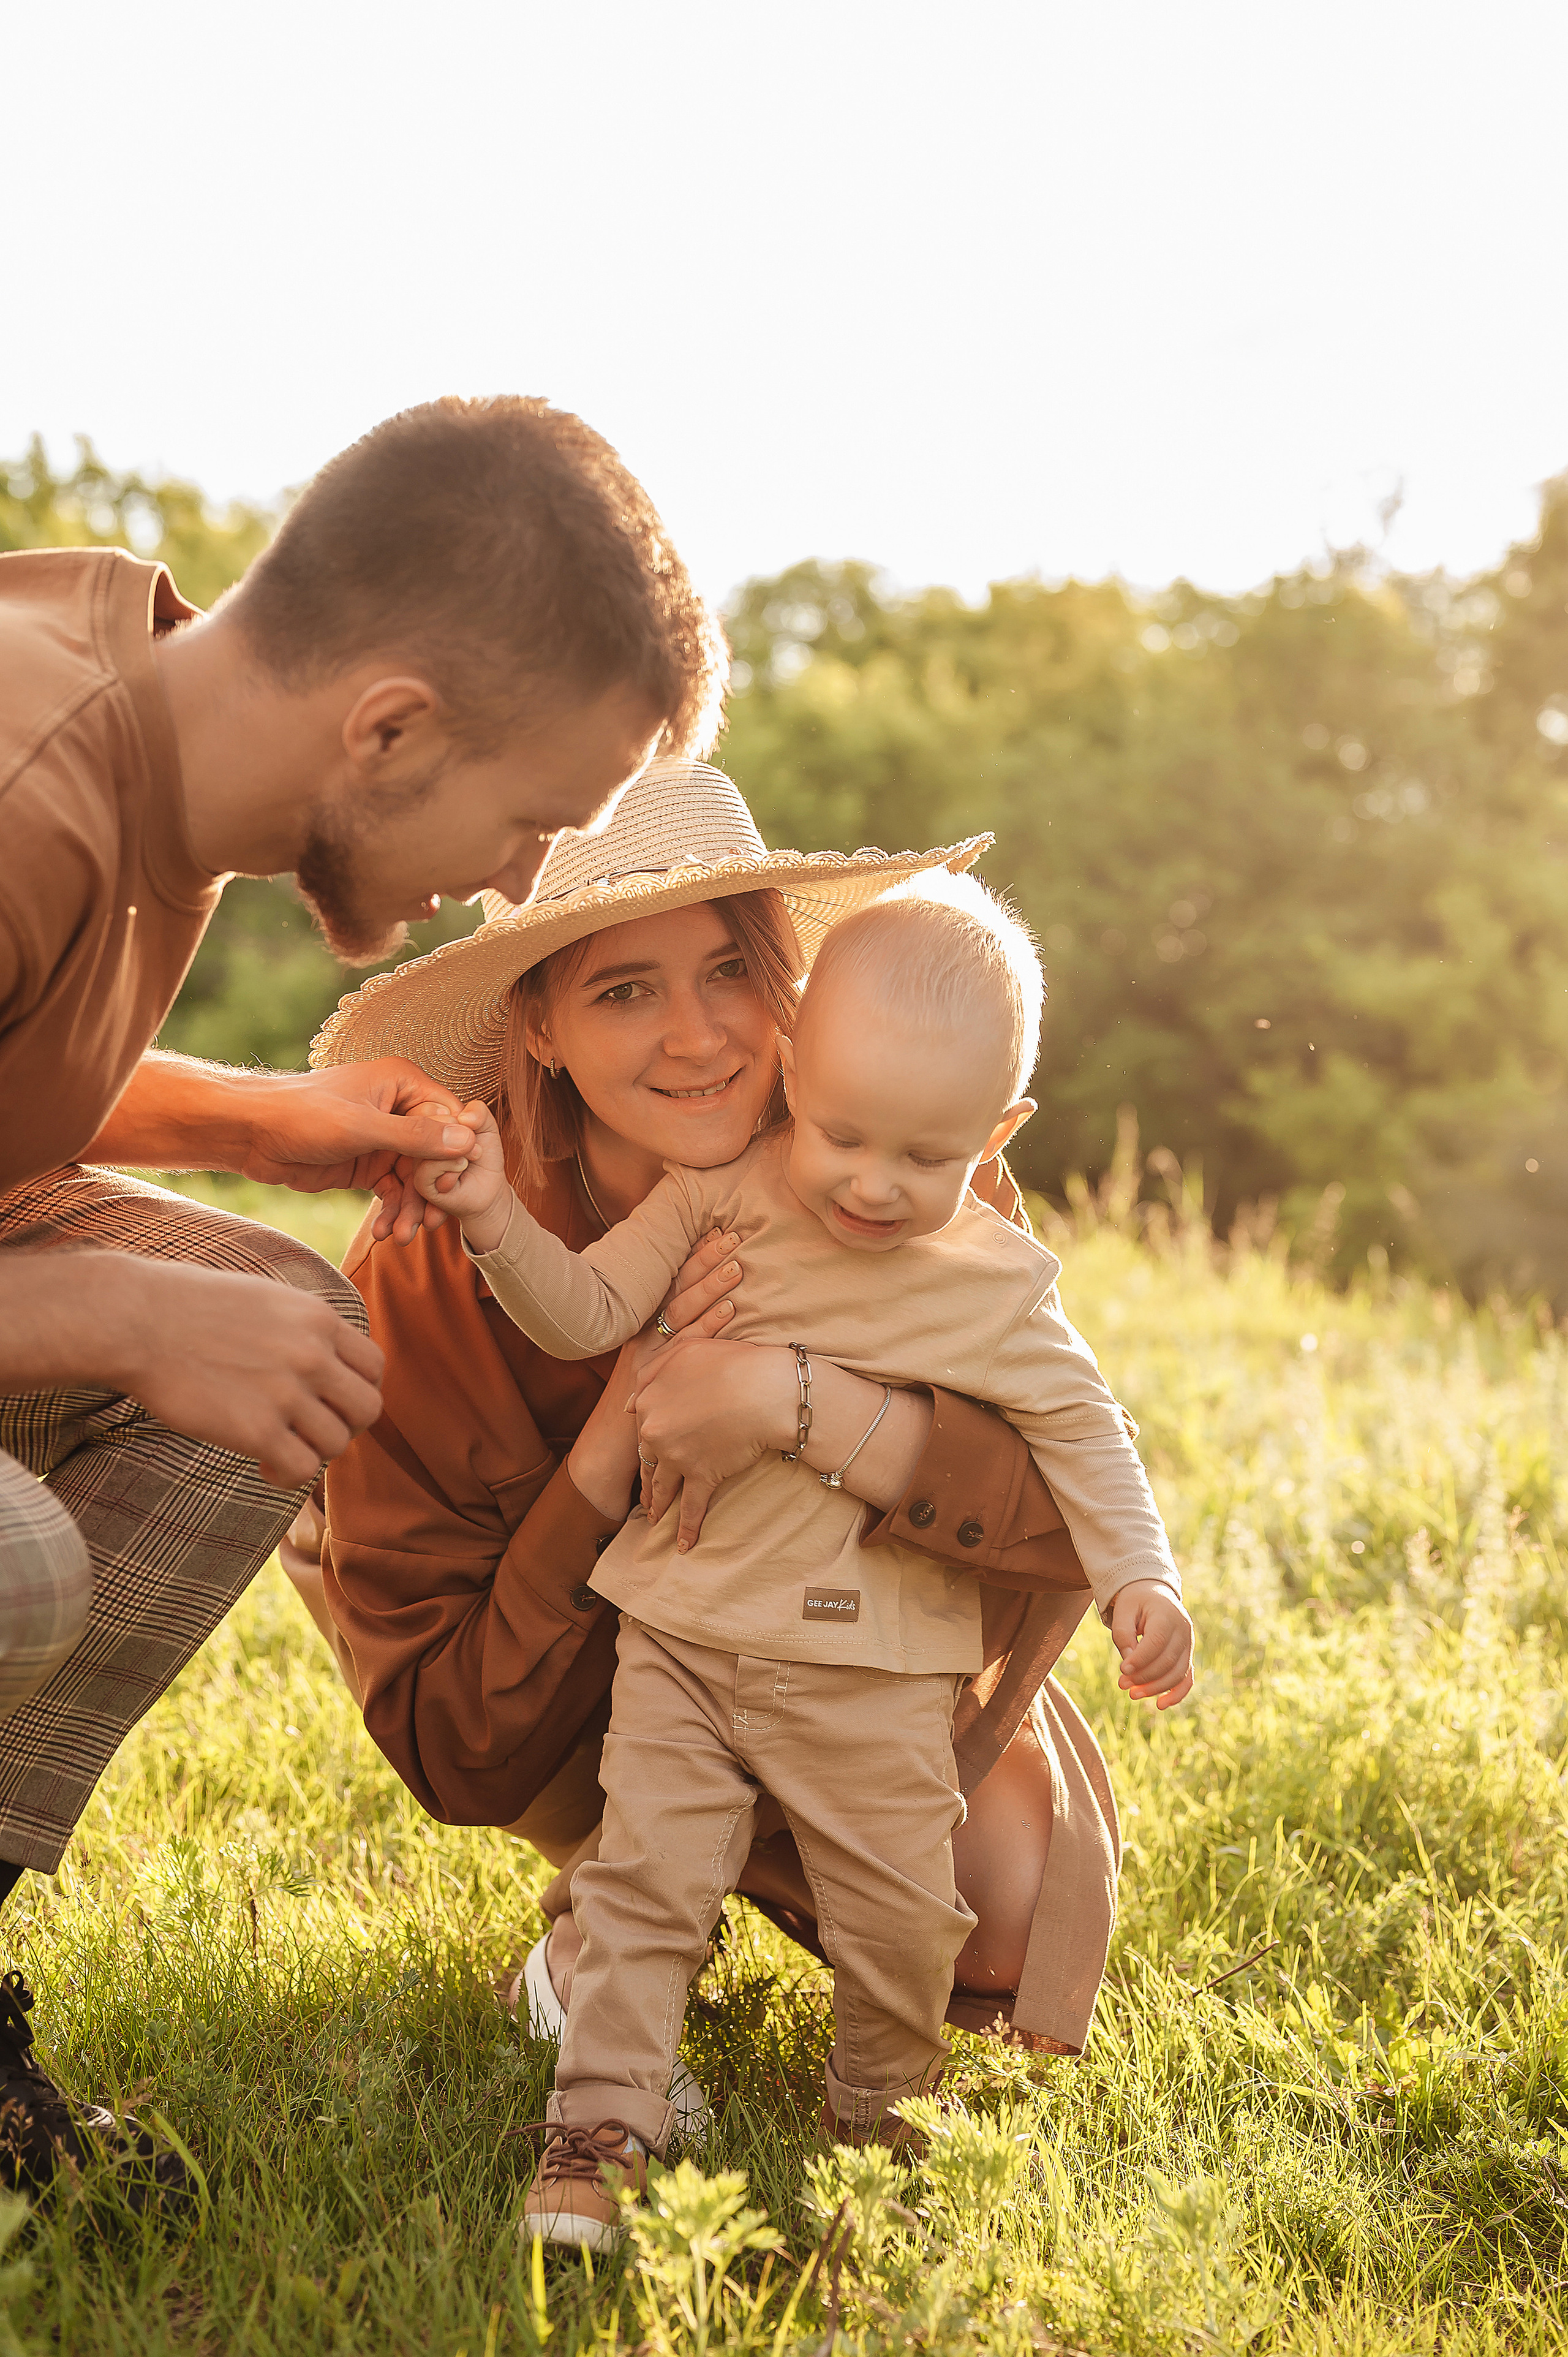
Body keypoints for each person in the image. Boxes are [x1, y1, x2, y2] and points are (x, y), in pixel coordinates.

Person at [0, 394, 724, 2196]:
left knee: (296, 1331)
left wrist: (256, 1123)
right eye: (527, 819)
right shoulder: (23, 790)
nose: (517, 882)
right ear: (389, 722)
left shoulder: (137, 717)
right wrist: (107, 1320)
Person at [307, 762, 1136, 2157]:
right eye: (623, 989)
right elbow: (458, 1747)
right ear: (545, 1025)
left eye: (728, 973)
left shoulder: (892, 1158)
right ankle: (607, 1932)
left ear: (787, 993)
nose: (696, 1036)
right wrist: (613, 1447)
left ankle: (743, 1874)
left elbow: (1063, 1519)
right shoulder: (435, 1276)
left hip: (852, 1654)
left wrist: (796, 1402)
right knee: (659, 1803)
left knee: (992, 1923)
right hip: (590, 1698)